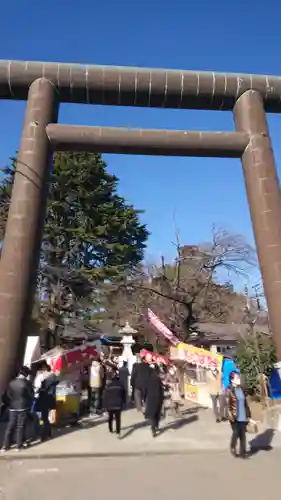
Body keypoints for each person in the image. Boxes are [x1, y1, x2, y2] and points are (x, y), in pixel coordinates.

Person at [1, 366, 34, 452]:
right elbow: (31, 395)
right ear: (26, 374)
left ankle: (5, 445)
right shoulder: (27, 383)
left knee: (10, 425)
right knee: (20, 426)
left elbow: (6, 396)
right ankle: (18, 445)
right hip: (23, 407)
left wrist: (9, 403)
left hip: (12, 407)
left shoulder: (11, 383)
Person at [228, 371, 251, 458]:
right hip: (234, 416)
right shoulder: (229, 390)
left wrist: (248, 415)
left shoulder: (241, 389)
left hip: (243, 415)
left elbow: (245, 403)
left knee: (243, 435)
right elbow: (227, 404)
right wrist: (230, 416)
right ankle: (233, 446)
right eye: (237, 378)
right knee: (236, 432)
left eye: (239, 378)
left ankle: (242, 453)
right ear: (232, 380)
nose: (239, 380)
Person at [34, 363, 58, 442]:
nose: (41, 372)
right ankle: (48, 434)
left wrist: (37, 389)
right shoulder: (53, 377)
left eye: (42, 370)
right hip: (50, 400)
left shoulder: (46, 379)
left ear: (45, 370)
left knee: (44, 418)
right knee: (47, 418)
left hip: (45, 399)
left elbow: (40, 389)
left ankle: (44, 436)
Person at [103, 372, 126, 438]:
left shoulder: (108, 386)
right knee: (118, 419)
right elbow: (123, 396)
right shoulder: (121, 386)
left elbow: (105, 397)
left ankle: (110, 429)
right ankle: (118, 432)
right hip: (118, 404)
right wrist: (124, 402)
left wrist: (104, 406)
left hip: (110, 405)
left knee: (110, 418)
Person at [145, 365, 164, 437]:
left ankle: (153, 429)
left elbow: (145, 390)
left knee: (152, 414)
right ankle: (156, 426)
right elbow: (161, 390)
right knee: (157, 413)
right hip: (158, 398)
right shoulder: (158, 379)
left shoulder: (148, 379)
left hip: (150, 399)